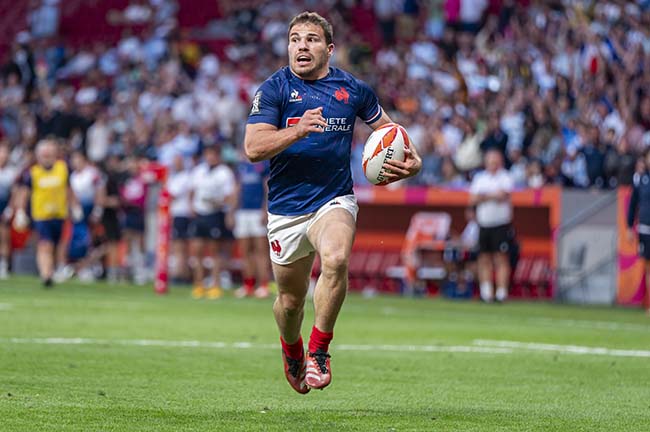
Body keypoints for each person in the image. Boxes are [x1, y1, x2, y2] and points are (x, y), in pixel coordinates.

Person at [244, 11, 421, 394]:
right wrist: (297, 129)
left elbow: (391, 135)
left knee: (337, 258)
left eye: (310, 39)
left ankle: (320, 350)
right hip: (286, 209)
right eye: (294, 39)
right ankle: (292, 349)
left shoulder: (354, 90)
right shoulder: (273, 90)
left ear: (329, 48)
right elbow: (253, 148)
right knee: (290, 302)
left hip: (334, 199)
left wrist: (412, 160)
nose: (300, 46)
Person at [16, 139, 80, 287]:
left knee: (61, 245)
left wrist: (75, 206)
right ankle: (46, 274)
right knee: (45, 245)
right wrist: (20, 211)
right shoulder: (33, 173)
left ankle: (58, 269)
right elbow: (24, 193)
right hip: (42, 215)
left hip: (60, 214)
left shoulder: (62, 169)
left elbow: (68, 189)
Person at [187, 145, 236, 300]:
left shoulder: (224, 173)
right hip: (200, 213)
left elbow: (230, 195)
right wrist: (191, 206)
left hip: (215, 214)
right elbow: (192, 190)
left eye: (213, 154)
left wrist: (221, 204)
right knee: (197, 250)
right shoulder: (199, 170)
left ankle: (215, 285)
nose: (210, 157)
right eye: (208, 154)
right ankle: (199, 284)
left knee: (215, 251)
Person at [469, 149, 514, 303]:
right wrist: (491, 195)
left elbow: (503, 195)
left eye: (495, 160)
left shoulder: (505, 177)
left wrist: (484, 196)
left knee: (500, 258)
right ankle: (486, 292)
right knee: (484, 258)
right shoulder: (480, 178)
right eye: (490, 161)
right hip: (484, 224)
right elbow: (473, 198)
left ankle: (501, 293)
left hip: (500, 224)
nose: (493, 164)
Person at [233, 158, 271, 299]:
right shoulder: (241, 166)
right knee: (245, 250)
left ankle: (263, 285)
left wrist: (265, 208)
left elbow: (267, 187)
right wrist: (232, 210)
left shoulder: (263, 165)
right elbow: (238, 189)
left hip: (256, 211)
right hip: (242, 211)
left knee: (260, 250)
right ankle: (248, 285)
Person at [626, 150, 650, 317]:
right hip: (644, 228)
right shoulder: (641, 179)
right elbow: (633, 204)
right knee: (648, 267)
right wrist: (629, 226)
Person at [167, 154, 193, 283]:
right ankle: (181, 272)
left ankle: (180, 274)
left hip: (181, 214)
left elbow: (172, 195)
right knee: (177, 245)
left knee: (180, 246)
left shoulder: (184, 177)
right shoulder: (175, 177)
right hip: (176, 214)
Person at [0, 142, 21, 279]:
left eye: (5, 153)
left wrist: (10, 208)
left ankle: (3, 266)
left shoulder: (12, 172)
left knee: (4, 238)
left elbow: (15, 193)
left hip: (3, 206)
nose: (3, 156)